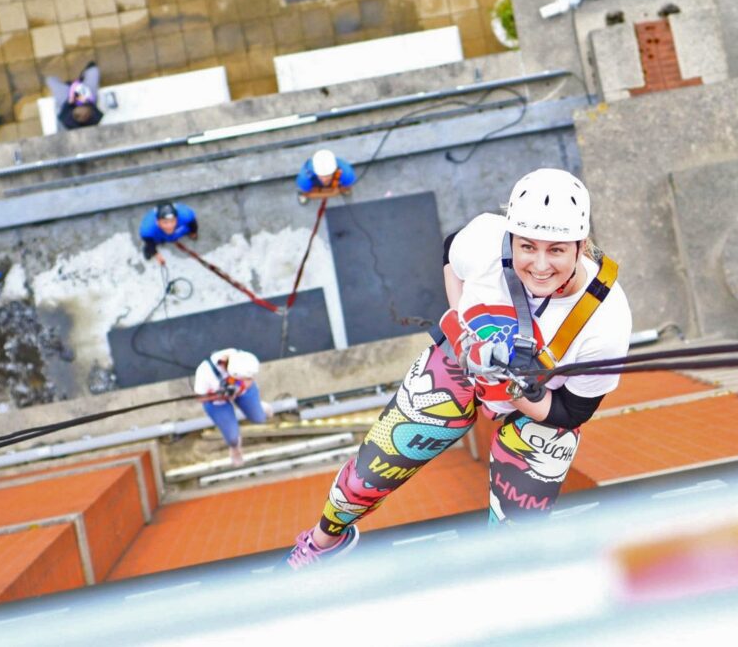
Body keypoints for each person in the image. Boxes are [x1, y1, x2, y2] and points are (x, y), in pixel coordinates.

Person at [284, 168, 632, 569]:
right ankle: (322, 541)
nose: (539, 265)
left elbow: (572, 411)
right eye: (527, 247)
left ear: (580, 246)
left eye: (556, 250)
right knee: (374, 467)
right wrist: (464, 329)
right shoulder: (485, 239)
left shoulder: (605, 322)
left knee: (518, 533)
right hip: (463, 362)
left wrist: (521, 392)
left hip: (540, 404)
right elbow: (451, 254)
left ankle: (505, 577)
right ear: (512, 239)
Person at [194, 348, 275, 467]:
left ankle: (260, 406)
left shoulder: (240, 359)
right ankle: (235, 449)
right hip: (218, 402)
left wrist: (242, 386)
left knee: (259, 418)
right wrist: (218, 396)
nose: (248, 380)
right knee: (232, 437)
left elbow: (249, 383)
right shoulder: (205, 372)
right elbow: (200, 397)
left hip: (242, 393)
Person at [45, 61, 104, 130]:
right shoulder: (95, 120)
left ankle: (66, 83)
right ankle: (86, 73)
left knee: (50, 81)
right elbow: (96, 112)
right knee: (94, 71)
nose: (83, 113)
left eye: (78, 115)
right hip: (87, 97)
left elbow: (62, 114)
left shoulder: (66, 122)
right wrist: (87, 103)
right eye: (86, 115)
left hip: (66, 99)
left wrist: (69, 103)